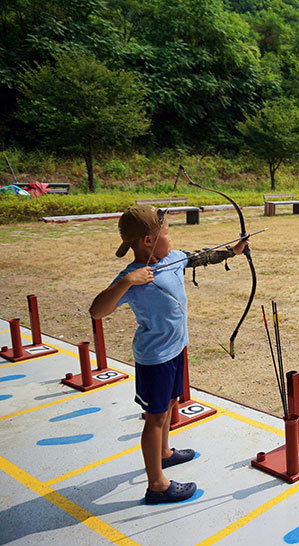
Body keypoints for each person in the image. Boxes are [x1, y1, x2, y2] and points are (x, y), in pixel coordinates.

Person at [90, 205, 248, 504]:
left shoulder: (173, 259)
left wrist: (233, 251)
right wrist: (128, 281)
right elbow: (97, 311)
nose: (171, 238)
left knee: (171, 404)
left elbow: (202, 256)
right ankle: (157, 486)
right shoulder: (133, 277)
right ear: (148, 240)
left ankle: (164, 453)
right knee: (155, 417)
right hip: (155, 359)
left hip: (176, 349)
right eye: (166, 232)